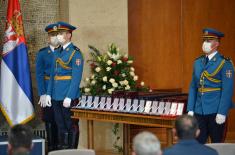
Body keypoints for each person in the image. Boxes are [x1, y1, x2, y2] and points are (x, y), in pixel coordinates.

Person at [187, 28, 234, 143]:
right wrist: (190, 109)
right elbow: (193, 86)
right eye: (204, 40)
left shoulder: (224, 63)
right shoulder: (198, 62)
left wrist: (222, 112)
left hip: (215, 111)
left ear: (217, 43)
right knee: (198, 145)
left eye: (209, 40)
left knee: (217, 144)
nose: (205, 43)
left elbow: (227, 91)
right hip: (199, 111)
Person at [45, 21, 84, 149]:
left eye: (61, 33)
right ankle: (63, 148)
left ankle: (72, 150)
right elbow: (52, 76)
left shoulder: (75, 53)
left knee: (70, 124)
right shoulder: (57, 52)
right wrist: (48, 94)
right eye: (58, 34)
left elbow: (76, 78)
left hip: (68, 95)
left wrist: (70, 96)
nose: (58, 36)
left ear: (69, 35)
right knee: (60, 124)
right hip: (56, 95)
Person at [35, 23, 60, 151]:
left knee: (61, 120)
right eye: (52, 35)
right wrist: (42, 93)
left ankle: (61, 149)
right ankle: (51, 148)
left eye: (57, 35)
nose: (55, 37)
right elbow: (39, 74)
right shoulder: (42, 53)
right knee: (50, 120)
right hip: (47, 93)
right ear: (48, 38)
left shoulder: (65, 52)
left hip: (61, 91)